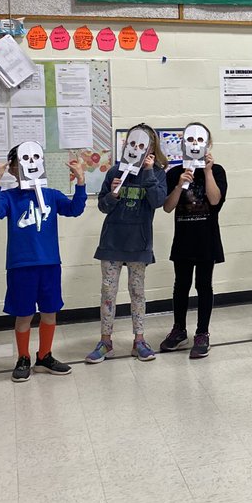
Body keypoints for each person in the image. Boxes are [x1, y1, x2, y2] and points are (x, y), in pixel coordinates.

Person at [0, 147, 87, 382]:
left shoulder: (51, 195)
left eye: (35, 158)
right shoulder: (10, 197)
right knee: (23, 314)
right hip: (21, 265)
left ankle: (44, 356)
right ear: (13, 169)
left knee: (50, 311)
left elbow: (75, 209)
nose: (30, 163)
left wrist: (81, 181)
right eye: (24, 160)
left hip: (49, 264)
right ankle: (23, 358)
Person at [87, 124, 169, 364]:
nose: (136, 148)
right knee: (108, 293)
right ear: (126, 145)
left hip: (139, 245)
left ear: (151, 149)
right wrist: (112, 194)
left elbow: (157, 202)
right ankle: (105, 341)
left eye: (142, 145)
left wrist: (149, 173)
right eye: (132, 143)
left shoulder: (157, 173)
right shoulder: (115, 171)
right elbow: (103, 206)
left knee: (138, 292)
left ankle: (139, 340)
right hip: (112, 242)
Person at [159, 123, 227, 360]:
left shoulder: (217, 171)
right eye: (190, 140)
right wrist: (180, 185)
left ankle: (202, 333)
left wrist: (207, 172)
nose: (195, 144)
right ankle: (179, 329)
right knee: (181, 285)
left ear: (208, 144)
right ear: (183, 144)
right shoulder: (174, 173)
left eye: (200, 140)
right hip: (183, 239)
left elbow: (215, 200)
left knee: (204, 285)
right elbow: (167, 207)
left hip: (207, 239)